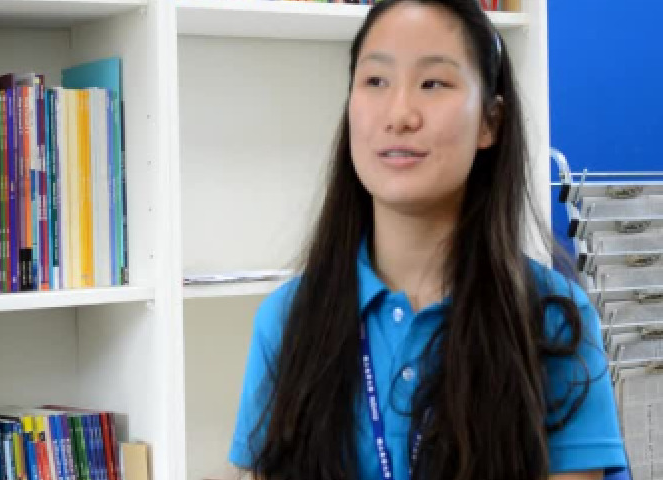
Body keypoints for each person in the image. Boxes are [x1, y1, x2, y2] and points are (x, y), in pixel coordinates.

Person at [227, 1, 628, 479]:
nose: (399, 115)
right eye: (376, 81)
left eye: (433, 83)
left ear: (490, 122)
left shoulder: (551, 318)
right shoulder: (288, 320)